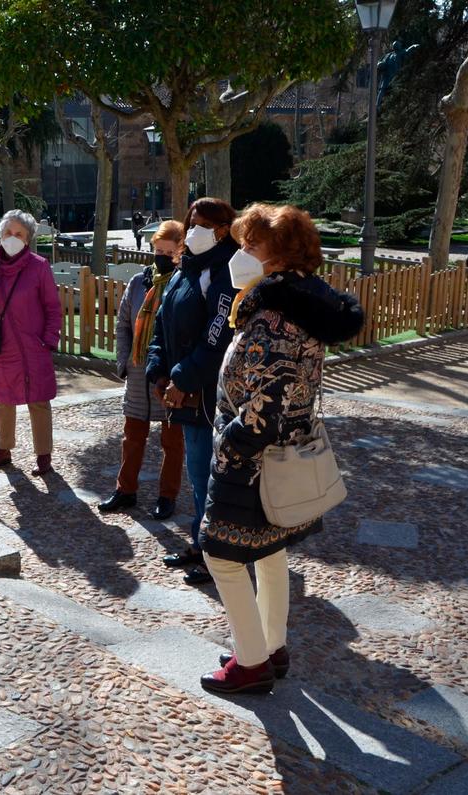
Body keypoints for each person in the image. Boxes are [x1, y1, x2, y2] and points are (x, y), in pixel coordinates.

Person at [198, 204, 363, 695]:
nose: (241, 253)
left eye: (252, 245)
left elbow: (263, 403)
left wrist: (229, 451)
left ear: (279, 256)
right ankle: (271, 646)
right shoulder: (302, 304)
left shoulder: (273, 315)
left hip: (252, 459)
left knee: (221, 556)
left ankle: (251, 664)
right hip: (283, 451)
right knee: (270, 550)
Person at [145, 197, 239, 587]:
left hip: (205, 393)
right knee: (196, 472)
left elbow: (217, 335)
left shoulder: (225, 271)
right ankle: (202, 543)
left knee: (207, 477)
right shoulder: (186, 269)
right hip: (180, 389)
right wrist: (158, 370)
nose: (197, 230)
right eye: (193, 222)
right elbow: (162, 323)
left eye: (207, 225)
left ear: (223, 230)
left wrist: (182, 379)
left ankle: (217, 554)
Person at [99, 220, 186, 520]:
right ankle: (126, 489)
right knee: (132, 436)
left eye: (168, 251)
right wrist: (123, 362)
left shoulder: (183, 283)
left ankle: (167, 495)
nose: (161, 256)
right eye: (157, 250)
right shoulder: (139, 282)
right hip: (138, 374)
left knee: (173, 441)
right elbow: (123, 324)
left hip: (168, 374)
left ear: (180, 252)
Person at [0, 209, 62, 476]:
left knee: (39, 401)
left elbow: (52, 308)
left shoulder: (39, 267)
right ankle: (3, 449)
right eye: (8, 232)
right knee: (3, 400)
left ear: (28, 238)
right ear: (0, 234)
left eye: (18, 234)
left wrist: (48, 341)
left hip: (34, 347)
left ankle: (43, 455)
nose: (12, 237)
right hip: (1, 346)